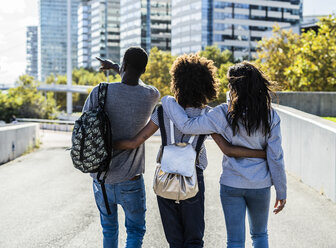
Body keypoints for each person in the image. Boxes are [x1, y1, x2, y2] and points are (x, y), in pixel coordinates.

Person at [114, 54, 266, 248]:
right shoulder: (208, 115)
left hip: (165, 178)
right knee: (193, 239)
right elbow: (228, 149)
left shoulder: (163, 111)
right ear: (206, 84)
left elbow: (136, 141)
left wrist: (109, 144)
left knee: (174, 240)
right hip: (193, 178)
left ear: (177, 81)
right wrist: (262, 153)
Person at [161, 61, 287, 248]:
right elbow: (275, 156)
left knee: (235, 240)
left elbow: (187, 126)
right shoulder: (270, 116)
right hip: (260, 185)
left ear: (234, 87)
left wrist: (167, 100)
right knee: (260, 235)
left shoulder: (222, 113)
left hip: (231, 183)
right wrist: (281, 190)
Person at [83, 47, 160, 248]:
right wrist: (119, 67)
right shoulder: (151, 95)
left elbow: (83, 128)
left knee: (109, 230)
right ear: (143, 70)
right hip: (131, 180)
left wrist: (116, 67)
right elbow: (137, 82)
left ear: (124, 65)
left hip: (102, 178)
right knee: (135, 231)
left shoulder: (100, 91)